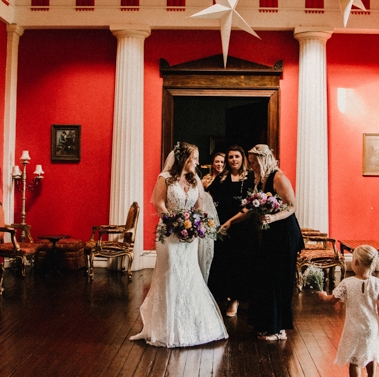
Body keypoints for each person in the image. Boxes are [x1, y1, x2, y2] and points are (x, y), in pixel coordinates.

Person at [129, 142, 228, 348]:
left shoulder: (195, 180)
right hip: (169, 235)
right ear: (184, 159)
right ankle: (167, 327)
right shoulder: (164, 178)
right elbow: (160, 204)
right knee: (171, 275)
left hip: (190, 237)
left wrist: (196, 225)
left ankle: (193, 324)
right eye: (194, 158)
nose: (198, 162)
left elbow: (200, 207)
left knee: (190, 275)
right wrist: (176, 224)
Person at [221, 144, 302, 341]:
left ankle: (280, 328)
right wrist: (230, 222)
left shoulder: (278, 177)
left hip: (284, 234)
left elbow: (292, 207)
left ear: (263, 159)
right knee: (266, 279)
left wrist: (273, 219)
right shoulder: (261, 180)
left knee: (278, 280)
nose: (251, 166)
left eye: (254, 161)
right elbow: (249, 209)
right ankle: (270, 325)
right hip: (270, 235)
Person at [320, 245, 379, 377]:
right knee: (371, 355)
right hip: (371, 327)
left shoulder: (347, 283)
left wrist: (323, 295)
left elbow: (332, 300)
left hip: (353, 327)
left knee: (354, 360)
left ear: (357, 263)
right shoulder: (376, 282)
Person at [207, 145, 255, 316]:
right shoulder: (222, 178)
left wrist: (231, 221)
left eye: (237, 157)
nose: (233, 160)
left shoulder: (250, 177)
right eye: (230, 157)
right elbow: (209, 195)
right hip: (223, 226)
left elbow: (252, 204)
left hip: (243, 226)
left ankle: (236, 300)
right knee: (224, 261)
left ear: (243, 159)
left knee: (240, 263)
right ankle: (224, 296)